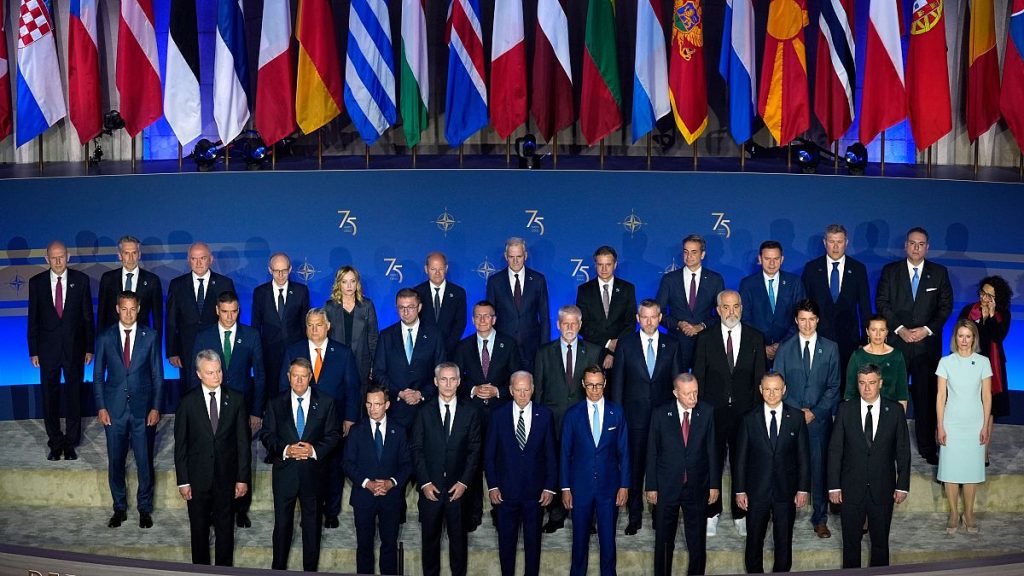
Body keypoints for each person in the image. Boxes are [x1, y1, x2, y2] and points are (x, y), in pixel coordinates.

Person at [876, 227, 953, 465]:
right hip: (897, 344)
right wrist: (900, 329)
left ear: (927, 247)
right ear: (905, 245)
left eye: (921, 244)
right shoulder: (890, 271)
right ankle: (886, 446)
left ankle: (927, 447)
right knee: (890, 397)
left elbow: (945, 307)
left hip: (925, 347)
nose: (916, 247)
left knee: (925, 398)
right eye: (912, 243)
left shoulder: (939, 273)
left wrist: (926, 330)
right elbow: (882, 302)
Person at [692, 289, 765, 536]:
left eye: (735, 306)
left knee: (741, 462)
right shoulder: (705, 338)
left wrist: (756, 414)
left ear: (741, 308)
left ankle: (740, 513)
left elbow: (759, 379)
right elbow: (699, 378)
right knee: (712, 462)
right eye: (726, 307)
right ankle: (711, 512)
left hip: (745, 414)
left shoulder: (756, 337)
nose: (731, 312)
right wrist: (700, 414)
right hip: (713, 413)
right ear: (718, 310)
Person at [280, 308, 360, 529]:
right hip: (301, 422)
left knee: (333, 468)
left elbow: (352, 388)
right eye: (310, 325)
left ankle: (331, 512)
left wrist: (350, 418)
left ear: (328, 327)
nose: (314, 329)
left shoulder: (343, 353)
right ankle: (310, 513)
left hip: (333, 423)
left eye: (319, 325)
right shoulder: (293, 351)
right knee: (306, 469)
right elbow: (283, 387)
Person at [191, 290, 266, 528]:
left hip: (241, 408)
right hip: (211, 407)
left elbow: (260, 376)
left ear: (238, 310)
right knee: (215, 457)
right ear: (217, 310)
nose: (229, 317)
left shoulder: (251, 335)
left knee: (242, 454)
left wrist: (256, 411)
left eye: (233, 312)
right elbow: (194, 376)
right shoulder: (204, 336)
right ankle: (215, 508)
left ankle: (241, 509)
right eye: (225, 312)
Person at [609, 299, 683, 535]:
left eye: (653, 317)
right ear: (638, 319)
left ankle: (659, 514)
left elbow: (678, 384)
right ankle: (634, 516)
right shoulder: (625, 344)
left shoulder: (672, 344)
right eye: (644, 317)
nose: (649, 322)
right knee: (635, 468)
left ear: (660, 318)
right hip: (634, 419)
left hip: (663, 420)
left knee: (662, 468)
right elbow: (617, 384)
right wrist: (618, 418)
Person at [828, 364, 911, 568]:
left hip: (882, 488)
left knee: (880, 543)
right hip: (850, 488)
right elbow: (835, 450)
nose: (867, 388)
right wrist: (834, 486)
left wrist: (902, 485)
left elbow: (903, 451)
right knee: (850, 544)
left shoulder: (895, 411)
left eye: (871, 383)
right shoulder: (845, 409)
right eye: (862, 383)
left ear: (880, 383)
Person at [262, 358, 341, 572]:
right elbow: (267, 434)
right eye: (295, 376)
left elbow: (334, 435)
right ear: (288, 377)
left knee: (312, 528)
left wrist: (313, 450)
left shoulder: (326, 402)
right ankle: (278, 569)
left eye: (303, 376)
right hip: (285, 475)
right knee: (282, 527)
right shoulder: (275, 403)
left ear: (310, 377)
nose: (298, 380)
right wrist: (286, 449)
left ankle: (310, 571)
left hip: (313, 475)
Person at [173, 350, 251, 566]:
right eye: (210, 373)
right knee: (199, 530)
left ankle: (224, 570)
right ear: (199, 374)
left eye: (218, 371)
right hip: (197, 479)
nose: (216, 377)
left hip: (226, 478)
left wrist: (242, 478)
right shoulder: (187, 402)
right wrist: (183, 481)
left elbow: (243, 444)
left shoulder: (236, 399)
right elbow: (181, 446)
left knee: (225, 530)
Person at [93, 290, 163, 528]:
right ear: (117, 309)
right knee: (116, 461)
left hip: (143, 410)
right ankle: (119, 508)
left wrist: (156, 407)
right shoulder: (105, 337)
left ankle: (144, 508)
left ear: (139, 309)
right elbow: (98, 377)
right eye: (124, 309)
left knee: (144, 462)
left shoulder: (150, 336)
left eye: (133, 309)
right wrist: (101, 407)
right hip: (114, 411)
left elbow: (157, 375)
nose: (129, 314)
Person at [773, 298, 840, 538]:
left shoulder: (830, 348)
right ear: (796, 320)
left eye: (811, 319)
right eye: (803, 319)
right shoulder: (785, 348)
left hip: (819, 421)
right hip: (790, 421)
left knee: (819, 471)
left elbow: (834, 386)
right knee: (788, 470)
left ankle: (820, 519)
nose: (807, 324)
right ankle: (786, 517)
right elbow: (777, 385)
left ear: (818, 320)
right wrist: (796, 413)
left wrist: (815, 412)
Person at [454, 299, 522, 530]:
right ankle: (473, 513)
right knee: (472, 463)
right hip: (471, 415)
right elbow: (455, 382)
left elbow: (517, 378)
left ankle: (500, 511)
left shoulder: (508, 344)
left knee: (502, 463)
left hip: (500, 414)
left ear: (494, 319)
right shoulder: (463, 346)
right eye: (478, 316)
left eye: (487, 316)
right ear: (473, 320)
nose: (482, 320)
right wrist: (473, 389)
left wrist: (498, 391)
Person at [410, 362, 483, 576]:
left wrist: (463, 483)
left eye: (452, 379)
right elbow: (416, 449)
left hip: (457, 491)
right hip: (430, 489)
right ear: (435, 382)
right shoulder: (423, 412)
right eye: (443, 379)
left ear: (459, 382)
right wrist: (424, 482)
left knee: (458, 544)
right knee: (429, 543)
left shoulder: (470, 412)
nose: (448, 384)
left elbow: (474, 451)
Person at [533, 304, 601, 533]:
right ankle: (556, 515)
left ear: (580, 325)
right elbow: (539, 391)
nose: (570, 328)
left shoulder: (593, 351)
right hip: (553, 421)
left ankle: (586, 516)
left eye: (574, 323)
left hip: (584, 421)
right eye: (565, 323)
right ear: (558, 325)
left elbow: (598, 390)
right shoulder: (544, 352)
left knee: (584, 469)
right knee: (554, 467)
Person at [734, 373, 810, 573]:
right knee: (754, 541)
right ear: (760, 390)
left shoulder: (797, 417)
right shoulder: (749, 419)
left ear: (784, 390)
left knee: (784, 541)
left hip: (786, 492)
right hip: (756, 492)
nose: (772, 394)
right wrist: (740, 490)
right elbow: (740, 459)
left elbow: (803, 457)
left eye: (776, 389)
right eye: (767, 389)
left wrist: (803, 489)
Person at [646, 373, 720, 576]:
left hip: (697, 486)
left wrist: (714, 484)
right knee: (664, 540)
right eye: (688, 394)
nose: (693, 398)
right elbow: (652, 452)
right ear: (675, 393)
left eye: (696, 392)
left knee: (697, 542)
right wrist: (651, 486)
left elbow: (712, 451)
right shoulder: (660, 414)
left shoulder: (707, 412)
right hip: (667, 486)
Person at [485, 371, 558, 576]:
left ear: (533, 389)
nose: (523, 394)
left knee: (533, 545)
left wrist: (549, 487)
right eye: (518, 390)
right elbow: (489, 456)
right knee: (506, 544)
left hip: (535, 494)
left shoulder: (545, 415)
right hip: (505, 493)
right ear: (510, 390)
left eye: (526, 390)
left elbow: (551, 455)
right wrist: (492, 486)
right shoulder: (498, 415)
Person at [560, 365, 629, 576]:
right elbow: (565, 453)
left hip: (609, 488)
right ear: (583, 384)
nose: (595, 390)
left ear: (605, 383)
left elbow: (624, 452)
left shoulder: (616, 413)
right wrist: (565, 488)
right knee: (579, 542)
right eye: (590, 385)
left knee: (608, 543)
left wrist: (624, 485)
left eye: (598, 385)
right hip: (580, 488)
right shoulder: (572, 415)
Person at [28, 240, 94, 460]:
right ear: (46, 259)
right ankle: (55, 442)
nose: (58, 261)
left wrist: (89, 347)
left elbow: (87, 317)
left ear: (68, 257)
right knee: (49, 396)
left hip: (75, 349)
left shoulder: (81, 280)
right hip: (47, 351)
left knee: (74, 395)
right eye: (53, 257)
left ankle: (71, 441)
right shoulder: (36, 283)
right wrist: (33, 350)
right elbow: (33, 318)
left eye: (61, 256)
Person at [343, 385, 412, 576]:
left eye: (377, 404)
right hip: (363, 498)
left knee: (389, 545)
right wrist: (367, 483)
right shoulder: (356, 431)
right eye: (369, 404)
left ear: (387, 405)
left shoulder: (399, 431)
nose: (372, 408)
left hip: (391, 499)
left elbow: (407, 464)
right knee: (364, 547)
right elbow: (347, 463)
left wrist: (391, 482)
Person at [801, 224, 872, 397]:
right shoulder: (812, 268)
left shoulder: (858, 269)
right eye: (831, 241)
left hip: (848, 339)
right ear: (825, 242)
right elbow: (804, 305)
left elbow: (865, 306)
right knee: (818, 385)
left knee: (846, 385)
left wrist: (865, 339)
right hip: (818, 337)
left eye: (839, 242)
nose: (835, 246)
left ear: (846, 243)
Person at [936, 320, 992, 534]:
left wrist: (985, 426)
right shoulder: (946, 362)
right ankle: (953, 513)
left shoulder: (983, 362)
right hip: (951, 423)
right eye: (961, 336)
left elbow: (987, 396)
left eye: (968, 336)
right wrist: (940, 426)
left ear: (974, 338)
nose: (964, 340)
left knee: (971, 470)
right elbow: (941, 397)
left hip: (975, 423)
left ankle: (969, 513)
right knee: (950, 470)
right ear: (955, 338)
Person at [166, 242, 236, 395]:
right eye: (194, 259)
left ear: (211, 259)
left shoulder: (224, 283)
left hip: (217, 345)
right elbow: (171, 320)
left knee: (218, 387)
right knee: (189, 390)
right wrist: (172, 351)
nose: (198, 263)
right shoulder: (177, 284)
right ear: (188, 260)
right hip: (187, 348)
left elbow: (231, 317)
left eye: (202, 258)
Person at [251, 252, 310, 428]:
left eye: (284, 270)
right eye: (276, 271)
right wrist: (255, 354)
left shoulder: (301, 291)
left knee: (294, 393)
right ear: (270, 270)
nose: (280, 275)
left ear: (290, 269)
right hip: (269, 353)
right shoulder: (260, 292)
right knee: (271, 393)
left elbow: (305, 324)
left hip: (295, 354)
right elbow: (255, 325)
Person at [958, 275, 1012, 465]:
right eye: (982, 293)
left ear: (998, 298)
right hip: (968, 364)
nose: (984, 298)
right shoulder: (969, 310)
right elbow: (960, 335)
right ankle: (964, 449)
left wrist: (990, 317)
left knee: (988, 410)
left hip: (992, 366)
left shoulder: (1003, 315)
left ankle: (983, 452)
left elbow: (997, 337)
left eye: (990, 296)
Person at [373, 288, 446, 428]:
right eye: (401, 307)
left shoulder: (434, 335)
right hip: (395, 410)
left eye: (411, 307)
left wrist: (421, 394)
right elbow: (378, 372)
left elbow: (441, 372)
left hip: (426, 409)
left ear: (419, 307)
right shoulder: (386, 336)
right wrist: (399, 393)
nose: (406, 312)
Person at [656, 234, 725, 371]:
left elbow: (722, 313)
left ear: (702, 254)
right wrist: (679, 324)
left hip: (705, 343)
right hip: (677, 344)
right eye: (686, 252)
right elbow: (659, 313)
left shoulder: (715, 279)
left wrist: (701, 326)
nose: (689, 256)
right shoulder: (670, 279)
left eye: (694, 252)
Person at [486, 237, 551, 371]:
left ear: (525, 256)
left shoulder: (538, 280)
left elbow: (544, 317)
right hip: (503, 347)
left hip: (532, 348)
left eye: (519, 256)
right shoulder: (495, 281)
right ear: (506, 256)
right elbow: (489, 317)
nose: (515, 261)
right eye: (511, 257)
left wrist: (545, 348)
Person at [738, 240, 806, 367]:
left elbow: (802, 317)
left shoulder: (794, 283)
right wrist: (761, 346)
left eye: (776, 259)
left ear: (782, 259)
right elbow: (744, 318)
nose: (772, 263)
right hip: (756, 351)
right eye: (767, 259)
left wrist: (783, 345)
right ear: (760, 259)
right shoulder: (748, 284)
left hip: (788, 351)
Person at [576, 245, 637, 370]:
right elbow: (582, 325)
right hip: (592, 353)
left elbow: (630, 323)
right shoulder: (584, 290)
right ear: (595, 265)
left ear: (615, 265)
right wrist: (608, 343)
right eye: (600, 264)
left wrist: (614, 350)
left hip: (620, 353)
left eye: (608, 264)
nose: (604, 269)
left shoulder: (627, 289)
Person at [323, 265, 378, 391]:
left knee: (359, 400)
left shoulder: (367, 305)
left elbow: (373, 338)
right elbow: (325, 338)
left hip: (361, 365)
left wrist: (374, 365)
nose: (349, 286)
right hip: (336, 364)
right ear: (339, 284)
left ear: (357, 283)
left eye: (352, 281)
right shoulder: (330, 307)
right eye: (344, 282)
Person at [97, 235, 163, 334]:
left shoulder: (152, 280)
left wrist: (156, 341)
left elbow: (157, 317)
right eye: (126, 253)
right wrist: (100, 339)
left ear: (139, 255)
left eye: (134, 253)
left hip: (142, 337)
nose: (131, 258)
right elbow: (101, 313)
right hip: (113, 337)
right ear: (120, 255)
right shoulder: (108, 279)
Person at [845, 314, 909, 410]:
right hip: (862, 411)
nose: (878, 334)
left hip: (891, 411)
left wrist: (900, 417)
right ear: (867, 331)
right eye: (873, 330)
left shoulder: (896, 356)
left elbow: (902, 393)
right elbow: (850, 392)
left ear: (887, 332)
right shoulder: (857, 356)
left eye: (882, 330)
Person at [415, 251, 468, 358]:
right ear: (426, 269)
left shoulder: (458, 293)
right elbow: (414, 322)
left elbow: (460, 323)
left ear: (446, 268)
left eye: (441, 269)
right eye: (433, 269)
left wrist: (446, 348)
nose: (437, 273)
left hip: (450, 352)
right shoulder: (417, 292)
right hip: (423, 352)